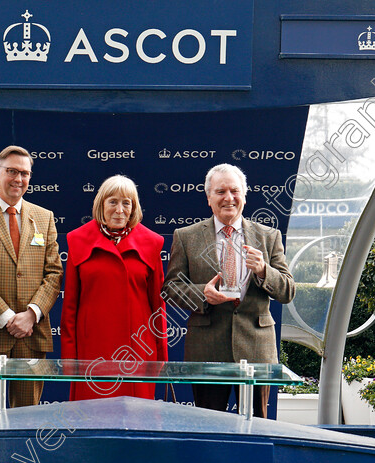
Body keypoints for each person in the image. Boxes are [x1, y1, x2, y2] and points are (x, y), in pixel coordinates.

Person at [162, 163, 295, 417]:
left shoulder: (269, 236)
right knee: (209, 427)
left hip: (257, 351)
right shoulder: (186, 236)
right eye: (220, 191)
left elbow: (288, 290)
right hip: (207, 350)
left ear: (244, 195)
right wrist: (203, 294)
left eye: (235, 190)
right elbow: (171, 288)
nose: (229, 198)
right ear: (208, 198)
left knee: (257, 428)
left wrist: (264, 270)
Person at [0, 145, 62, 412]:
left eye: (25, 173)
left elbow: (54, 274)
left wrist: (31, 315)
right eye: (12, 171)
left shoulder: (44, 217)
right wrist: (7, 317)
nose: (19, 179)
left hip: (32, 335)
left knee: (27, 420)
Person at [61, 175, 167, 400]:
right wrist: (70, 360)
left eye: (126, 203)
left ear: (133, 208)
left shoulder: (152, 243)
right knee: (92, 421)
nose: (119, 210)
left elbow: (158, 306)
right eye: (113, 202)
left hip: (138, 350)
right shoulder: (77, 240)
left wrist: (161, 355)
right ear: (101, 205)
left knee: (137, 422)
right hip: (92, 352)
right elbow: (69, 306)